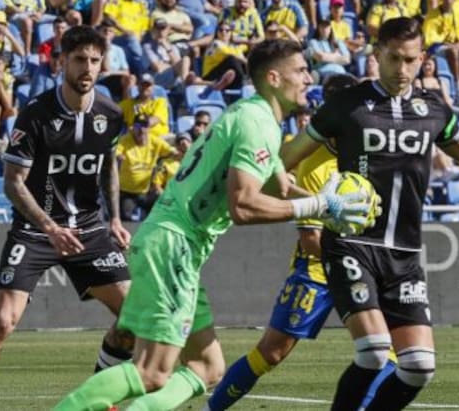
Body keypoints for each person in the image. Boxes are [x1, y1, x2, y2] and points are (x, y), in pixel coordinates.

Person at [56, 39, 375, 410]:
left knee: (207, 367)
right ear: (273, 77)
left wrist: (333, 209)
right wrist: (321, 204)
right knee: (151, 372)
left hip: (177, 247)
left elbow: (278, 186)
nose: (309, 78)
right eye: (300, 71)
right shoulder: (257, 122)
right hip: (174, 244)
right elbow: (244, 204)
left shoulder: (257, 117)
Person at [280, 17, 459, 411]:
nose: (402, 69)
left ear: (423, 59)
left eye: (410, 60)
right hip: (351, 243)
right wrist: (304, 201)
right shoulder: (345, 105)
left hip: (405, 253)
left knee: (418, 367)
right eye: (393, 58)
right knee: (374, 352)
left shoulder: (433, 110)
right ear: (377, 54)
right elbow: (287, 159)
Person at [0, 26, 133, 409]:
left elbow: (109, 167)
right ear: (61, 63)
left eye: (94, 60)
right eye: (78, 60)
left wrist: (116, 218)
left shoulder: (111, 114)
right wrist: (50, 227)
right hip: (36, 231)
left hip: (88, 228)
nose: (87, 68)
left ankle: (95, 399)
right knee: (4, 321)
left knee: (134, 318)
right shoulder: (36, 114)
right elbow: (13, 183)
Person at [206, 73, 361, 411]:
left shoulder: (368, 151)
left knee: (388, 350)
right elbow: (310, 240)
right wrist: (354, 259)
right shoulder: (311, 161)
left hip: (365, 268)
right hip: (319, 271)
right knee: (271, 352)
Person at [116, 113, 176, 221]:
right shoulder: (125, 141)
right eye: (138, 126)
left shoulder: (155, 141)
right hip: (126, 191)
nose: (142, 130)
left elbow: (173, 152)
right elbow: (116, 152)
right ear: (132, 127)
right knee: (126, 219)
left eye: (145, 126)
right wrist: (119, 156)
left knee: (156, 214)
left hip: (146, 191)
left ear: (149, 128)